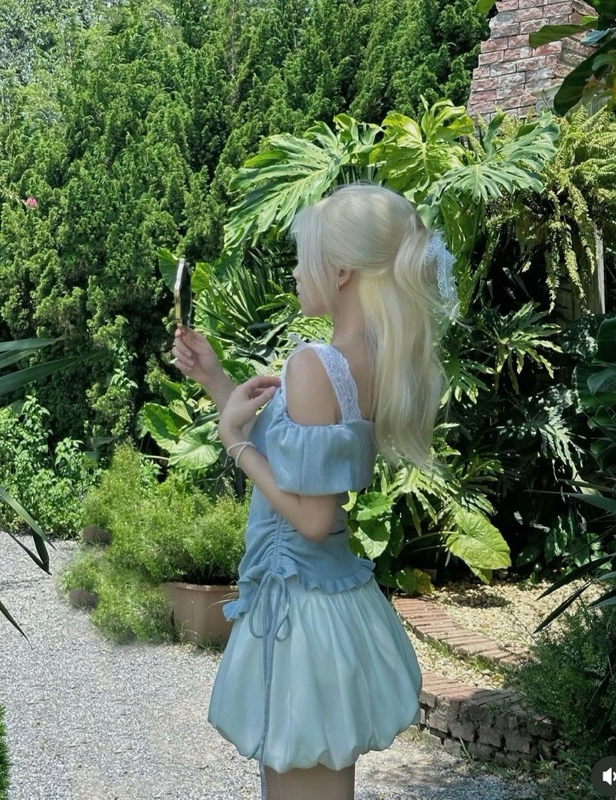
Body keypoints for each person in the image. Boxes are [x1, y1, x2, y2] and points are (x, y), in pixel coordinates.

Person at [171, 182, 458, 800]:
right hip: (327, 601)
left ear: (343, 271)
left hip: (297, 613)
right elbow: (301, 474)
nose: (297, 271)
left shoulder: (315, 364)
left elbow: (310, 517)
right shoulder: (369, 359)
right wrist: (216, 381)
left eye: (305, 257)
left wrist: (236, 444)